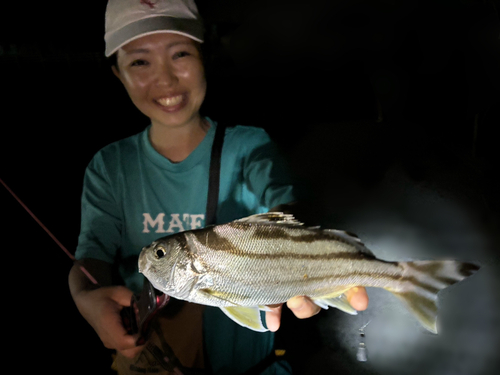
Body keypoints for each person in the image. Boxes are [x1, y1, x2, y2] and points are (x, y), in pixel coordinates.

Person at [68, 0, 369, 374]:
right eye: (140, 61)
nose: (165, 79)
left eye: (179, 54)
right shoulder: (108, 166)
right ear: (117, 73)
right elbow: (91, 254)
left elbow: (292, 207)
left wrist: (309, 257)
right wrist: (86, 299)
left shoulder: (250, 146)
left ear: (204, 55)